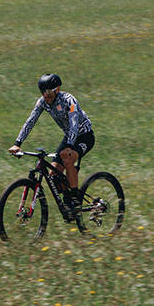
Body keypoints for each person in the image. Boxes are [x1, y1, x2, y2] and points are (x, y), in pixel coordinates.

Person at [8, 74, 96, 219]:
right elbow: (30, 121)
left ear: (57, 89)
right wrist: (17, 143)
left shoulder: (69, 100)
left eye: (49, 91)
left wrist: (69, 146)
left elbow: (74, 124)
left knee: (67, 159)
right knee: (54, 177)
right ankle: (68, 199)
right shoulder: (42, 102)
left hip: (84, 136)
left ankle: (75, 199)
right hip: (69, 137)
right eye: (43, 92)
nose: (45, 95)